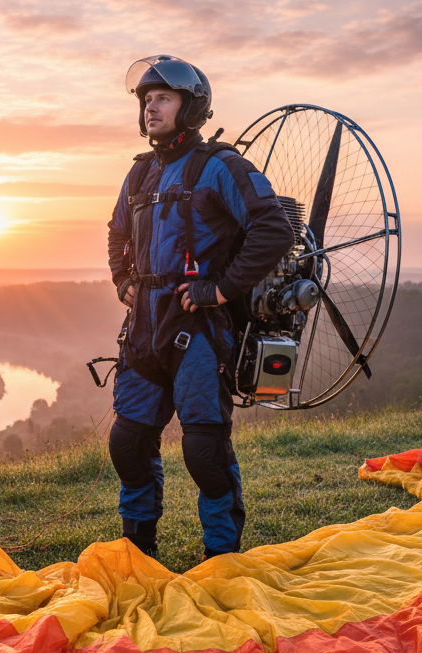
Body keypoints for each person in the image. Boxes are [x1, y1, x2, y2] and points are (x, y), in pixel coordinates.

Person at [107, 55, 295, 561]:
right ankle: (137, 556)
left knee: (204, 453)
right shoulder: (140, 175)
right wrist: (121, 278)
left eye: (162, 99)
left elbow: (274, 229)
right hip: (144, 333)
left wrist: (220, 289)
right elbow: (117, 231)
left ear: (191, 107)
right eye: (146, 101)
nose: (151, 109)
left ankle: (221, 563)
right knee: (128, 445)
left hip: (199, 335)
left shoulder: (220, 167)